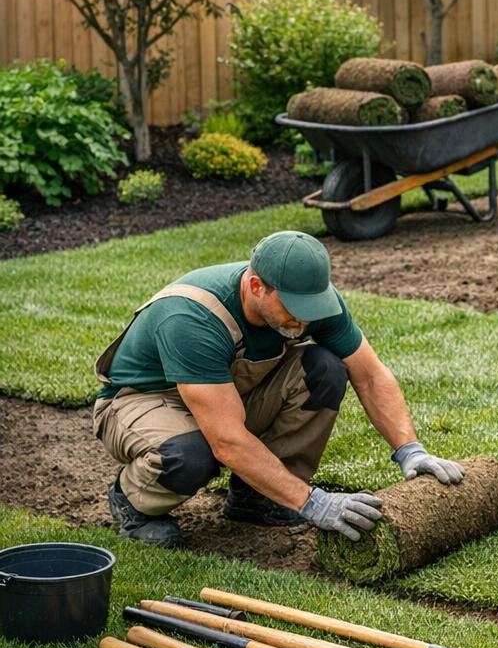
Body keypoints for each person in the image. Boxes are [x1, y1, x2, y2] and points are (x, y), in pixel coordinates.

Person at [94, 230, 464, 547]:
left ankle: (257, 498)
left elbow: (370, 375)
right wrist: (313, 502)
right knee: (192, 453)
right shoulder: (191, 318)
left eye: (311, 306)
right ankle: (134, 502)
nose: (304, 318)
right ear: (256, 286)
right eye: (293, 307)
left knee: (324, 368)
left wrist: (410, 450)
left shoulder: (313, 302)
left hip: (226, 391)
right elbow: (227, 440)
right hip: (143, 401)